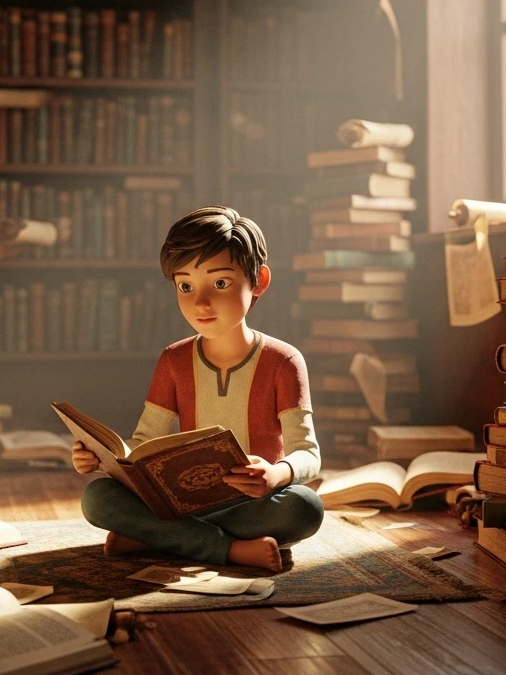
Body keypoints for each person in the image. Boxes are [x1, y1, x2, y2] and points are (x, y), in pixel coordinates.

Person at [75, 206, 323, 571]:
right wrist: (103, 461)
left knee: (305, 507)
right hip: (183, 500)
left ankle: (155, 536)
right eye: (185, 286)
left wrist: (276, 474)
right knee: (97, 497)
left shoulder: (283, 361)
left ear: (259, 281)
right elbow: (143, 444)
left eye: (220, 283)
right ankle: (231, 549)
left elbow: (308, 453)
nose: (200, 303)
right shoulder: (173, 360)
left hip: (251, 504)